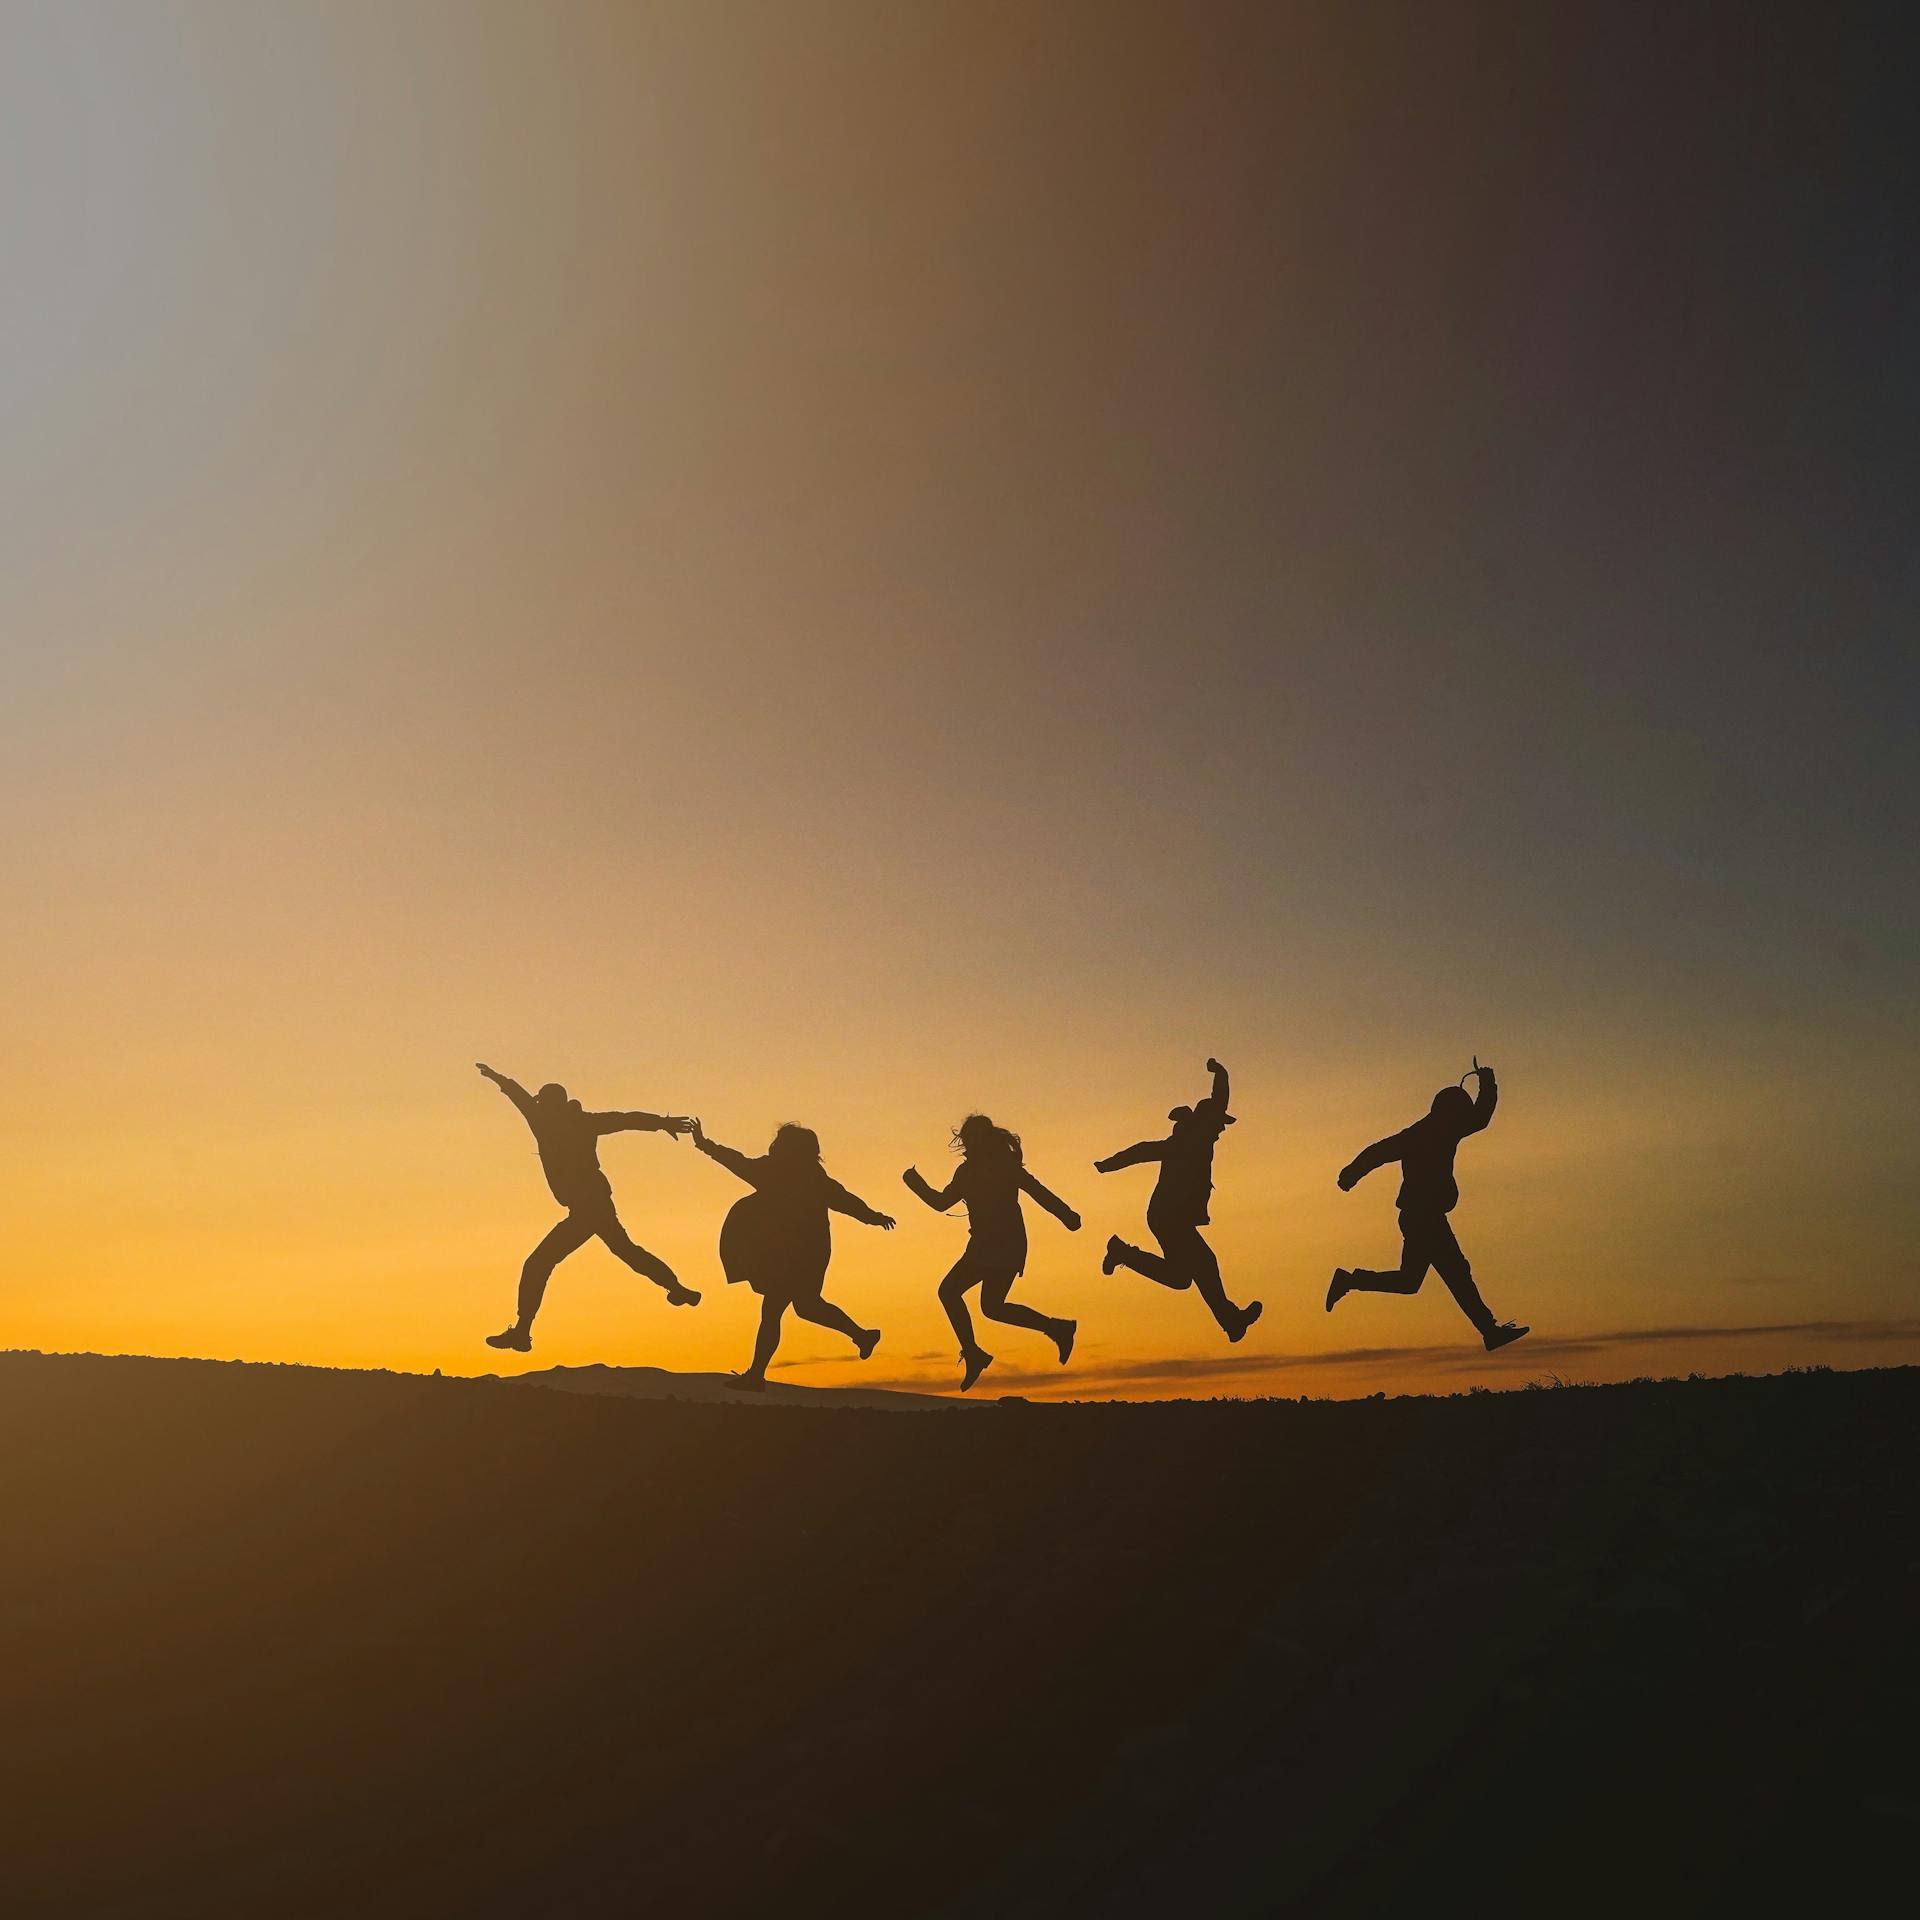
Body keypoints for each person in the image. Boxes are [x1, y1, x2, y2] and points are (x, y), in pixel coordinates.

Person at [476, 1063, 697, 1353]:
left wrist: (497, 1078)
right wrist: (662, 1123)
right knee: (625, 1250)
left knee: (538, 1264)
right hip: (595, 1203)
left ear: (548, 1104)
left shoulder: (545, 1120)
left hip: (586, 1208)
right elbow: (624, 1119)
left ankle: (522, 1331)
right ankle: (677, 1289)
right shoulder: (577, 1120)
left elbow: (520, 1097)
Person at [1325, 1059, 1528, 1351]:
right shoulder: (1432, 1132)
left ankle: (1349, 1281)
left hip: (1420, 1216)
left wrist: (1352, 1174)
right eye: (1461, 1111)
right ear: (1451, 1111)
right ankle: (1489, 1330)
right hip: (1424, 1218)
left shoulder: (1428, 1131)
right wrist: (1351, 1174)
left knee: (1410, 1282)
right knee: (1458, 1273)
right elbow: (1380, 1152)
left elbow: (1378, 1152)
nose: (1464, 1118)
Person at [689, 1116, 894, 1391]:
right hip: (806, 1252)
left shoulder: (783, 1173)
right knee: (807, 1307)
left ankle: (756, 1376)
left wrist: (872, 1216)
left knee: (775, 1310)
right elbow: (845, 1199)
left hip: (794, 1255)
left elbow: (845, 1201)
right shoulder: (808, 1177)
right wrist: (873, 1216)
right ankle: (862, 1335)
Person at [903, 1115, 1081, 1392]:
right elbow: (941, 1202)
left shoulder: (1003, 1167)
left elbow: (1039, 1192)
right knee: (992, 1307)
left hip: (1000, 1245)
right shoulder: (969, 1172)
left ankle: (975, 1352)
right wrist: (915, 1183)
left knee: (951, 1292)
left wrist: (1067, 1215)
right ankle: (1056, 1328)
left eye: (970, 1140)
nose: (967, 1145)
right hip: (992, 1245)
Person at [1094, 1058, 1262, 1343]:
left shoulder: (1196, 1139)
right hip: (1168, 1217)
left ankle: (1123, 1253)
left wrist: (1221, 1074)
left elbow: (1217, 1104)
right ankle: (1231, 1320)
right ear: (1207, 1123)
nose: (1222, 1130)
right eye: (1220, 1124)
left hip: (1171, 1217)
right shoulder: (1189, 1142)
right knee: (1204, 1264)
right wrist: (1111, 1164)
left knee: (1181, 1278)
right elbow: (1143, 1150)